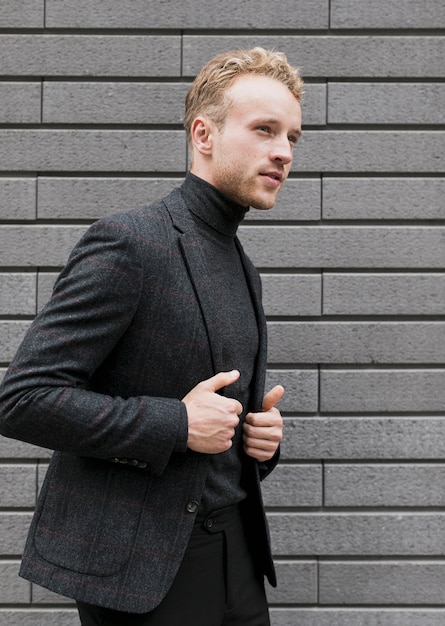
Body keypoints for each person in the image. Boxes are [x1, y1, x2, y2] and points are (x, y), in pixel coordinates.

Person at [0, 47, 303, 625]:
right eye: (265, 129)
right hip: (141, 571)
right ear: (203, 134)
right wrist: (176, 423)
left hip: (238, 555)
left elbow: (215, 436)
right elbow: (23, 401)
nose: (283, 152)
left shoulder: (242, 266)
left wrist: (257, 443)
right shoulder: (129, 243)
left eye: (292, 136)